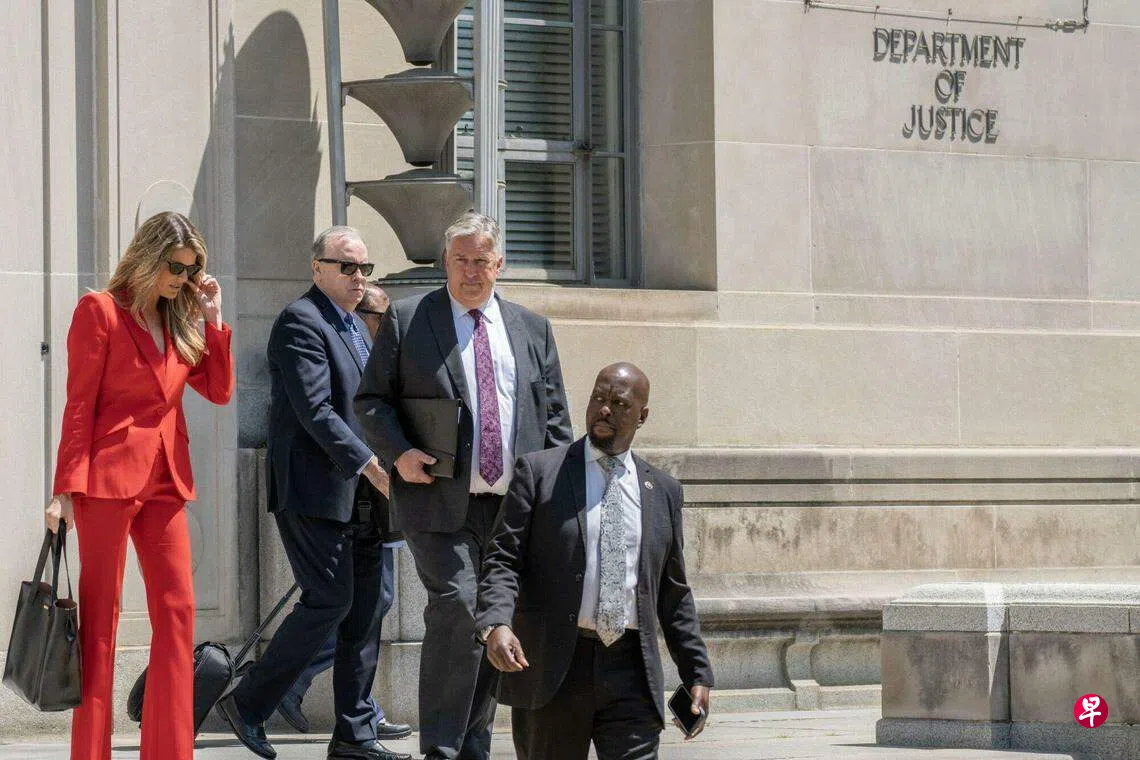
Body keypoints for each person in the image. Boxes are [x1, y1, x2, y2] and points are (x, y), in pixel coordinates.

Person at [355, 212, 573, 760]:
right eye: (461, 260)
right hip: (436, 500)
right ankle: (443, 749)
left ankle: (471, 745)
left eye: (481, 261)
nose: (471, 271)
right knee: (458, 604)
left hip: (513, 508)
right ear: (445, 263)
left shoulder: (532, 329)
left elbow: (555, 422)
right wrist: (400, 453)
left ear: (499, 264)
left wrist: (557, 497)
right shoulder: (410, 319)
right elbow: (371, 401)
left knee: (494, 618)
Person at [44, 211, 235, 760]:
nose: (183, 278)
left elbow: (218, 390)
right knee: (100, 621)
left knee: (178, 612)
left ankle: (169, 752)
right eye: (176, 267)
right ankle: (91, 753)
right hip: (106, 481)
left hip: (165, 481)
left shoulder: (180, 318)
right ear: (149, 257)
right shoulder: (100, 311)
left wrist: (214, 319)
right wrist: (64, 490)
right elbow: (79, 405)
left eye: (192, 270)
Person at [216, 227, 410, 760]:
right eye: (347, 266)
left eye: (365, 268)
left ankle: (354, 734)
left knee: (367, 608)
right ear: (317, 268)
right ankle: (248, 703)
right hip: (315, 490)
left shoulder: (355, 326)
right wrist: (371, 465)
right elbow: (316, 410)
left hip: (365, 495)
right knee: (330, 599)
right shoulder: (300, 321)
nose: (358, 277)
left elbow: (369, 406)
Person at [475, 363, 715, 760]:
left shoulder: (663, 491)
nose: (604, 409)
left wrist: (697, 672)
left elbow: (673, 593)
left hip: (631, 670)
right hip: (554, 670)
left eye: (619, 404)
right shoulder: (540, 472)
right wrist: (496, 623)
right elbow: (502, 559)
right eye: (599, 398)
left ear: (642, 416)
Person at [276, 283, 411, 742]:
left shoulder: (378, 356)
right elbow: (323, 415)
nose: (383, 326)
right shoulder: (321, 334)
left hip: (379, 501)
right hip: (347, 493)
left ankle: (358, 710)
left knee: (372, 602)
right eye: (378, 316)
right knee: (354, 601)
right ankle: (291, 681)